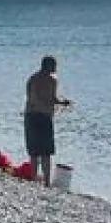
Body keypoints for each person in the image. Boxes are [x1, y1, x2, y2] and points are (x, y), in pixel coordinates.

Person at [23, 55, 71, 186]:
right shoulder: (41, 80)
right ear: (47, 66)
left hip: (38, 116)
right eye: (54, 65)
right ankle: (40, 181)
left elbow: (50, 98)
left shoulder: (43, 80)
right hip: (37, 116)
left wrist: (62, 102)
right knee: (40, 152)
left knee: (41, 151)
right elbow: (35, 99)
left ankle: (41, 181)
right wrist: (49, 104)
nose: (56, 68)